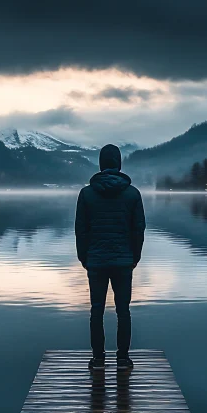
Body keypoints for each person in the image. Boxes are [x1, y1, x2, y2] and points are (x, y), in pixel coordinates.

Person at [75, 143, 145, 372]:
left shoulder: (86, 194)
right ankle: (123, 359)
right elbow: (138, 230)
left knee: (96, 309)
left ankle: (98, 359)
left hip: (95, 260)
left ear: (101, 164)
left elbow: (81, 230)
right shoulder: (133, 194)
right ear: (119, 163)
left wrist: (84, 257)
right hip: (124, 261)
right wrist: (134, 257)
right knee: (123, 310)